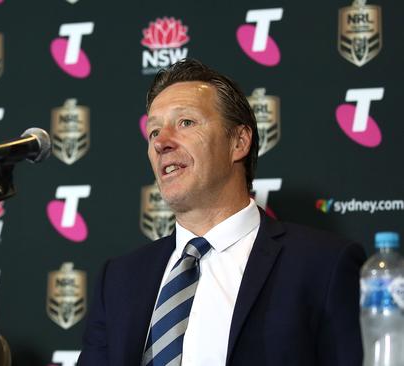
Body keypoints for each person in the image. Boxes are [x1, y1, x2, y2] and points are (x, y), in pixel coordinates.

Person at [78, 58, 365, 366]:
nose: (162, 142)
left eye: (186, 123)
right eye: (153, 132)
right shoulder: (119, 279)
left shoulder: (323, 264)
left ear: (239, 142)